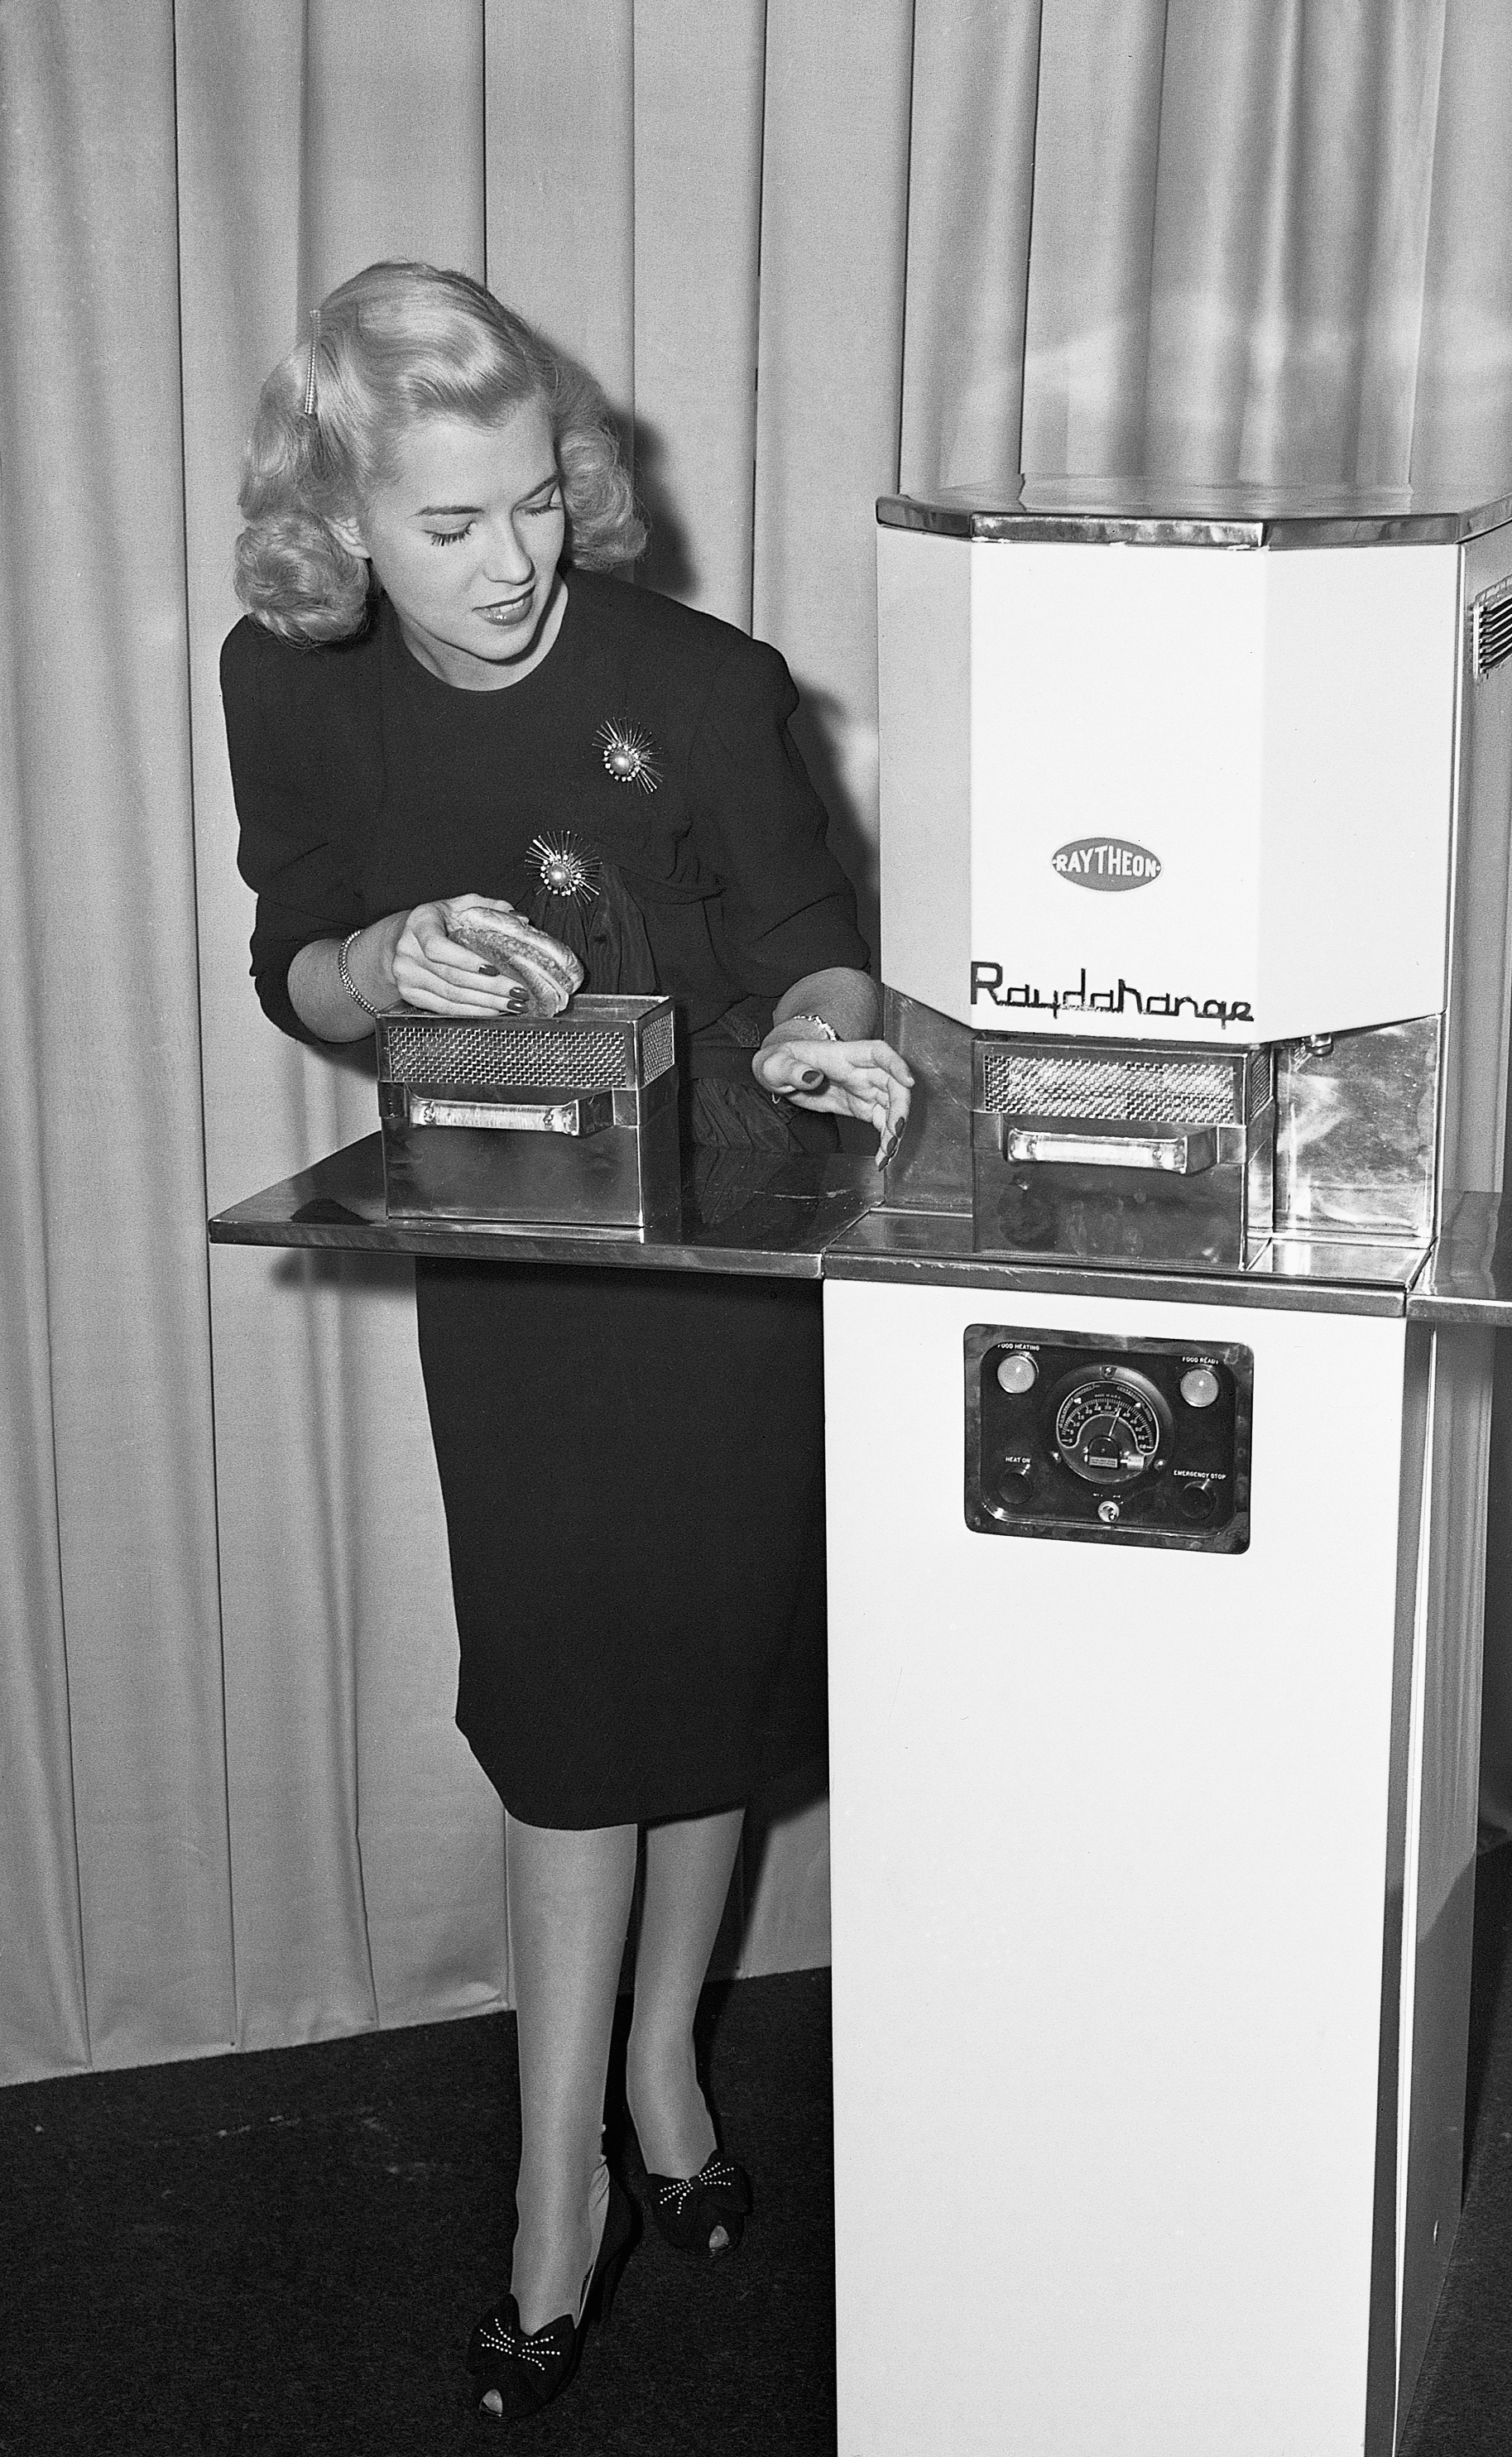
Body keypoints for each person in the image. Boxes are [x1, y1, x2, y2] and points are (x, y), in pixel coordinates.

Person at [221, 260, 912, 2421]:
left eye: (534, 501)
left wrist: (816, 1049)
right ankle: (556, 2190)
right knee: (566, 1713)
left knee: (702, 1687)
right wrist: (378, 958)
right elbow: (294, 953)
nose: (512, 560)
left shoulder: (703, 681)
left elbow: (817, 950)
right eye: (448, 523)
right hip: (516, 1262)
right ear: (338, 519)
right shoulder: (288, 677)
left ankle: (662, 2075)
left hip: (724, 1260)